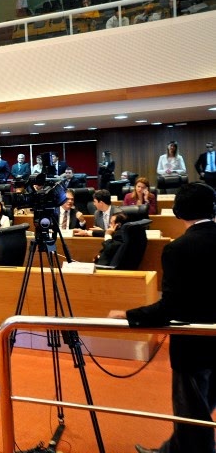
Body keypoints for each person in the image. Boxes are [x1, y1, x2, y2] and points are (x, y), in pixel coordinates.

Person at [108, 182, 216, 453]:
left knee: (192, 413)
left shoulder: (178, 249)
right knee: (200, 407)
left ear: (178, 211)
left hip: (194, 346)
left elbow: (171, 307)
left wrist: (129, 315)